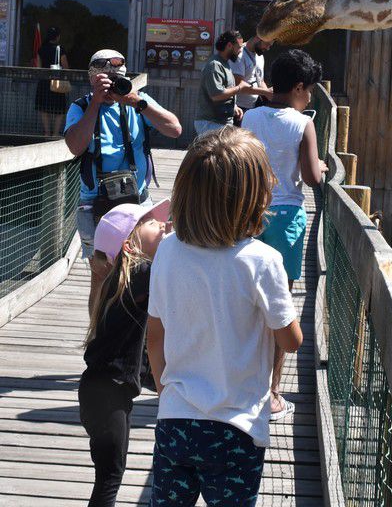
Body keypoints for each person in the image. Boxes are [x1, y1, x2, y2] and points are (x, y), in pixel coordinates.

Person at [126, 127, 302, 507]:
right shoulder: (264, 262)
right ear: (254, 200)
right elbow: (292, 340)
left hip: (176, 421)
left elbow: (156, 334)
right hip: (236, 430)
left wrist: (166, 381)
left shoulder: (168, 250)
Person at [75, 198, 172, 507]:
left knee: (109, 474)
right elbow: (174, 267)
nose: (163, 227)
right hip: (107, 396)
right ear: (130, 244)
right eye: (153, 223)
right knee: (109, 477)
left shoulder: (122, 281)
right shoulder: (142, 274)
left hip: (103, 393)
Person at [242, 49, 326, 421]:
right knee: (280, 305)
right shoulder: (303, 123)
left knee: (245, 300)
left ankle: (242, 382)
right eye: (309, 90)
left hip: (248, 215)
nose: (309, 97)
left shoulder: (249, 118)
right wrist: (320, 166)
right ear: (297, 87)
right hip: (288, 218)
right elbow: (311, 177)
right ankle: (272, 393)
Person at [64, 49, 181, 313]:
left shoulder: (138, 102)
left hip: (138, 201)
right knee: (101, 275)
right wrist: (95, 102)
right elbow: (74, 147)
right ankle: (96, 338)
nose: (115, 85)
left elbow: (175, 129)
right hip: (96, 205)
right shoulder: (81, 107)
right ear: (94, 78)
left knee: (149, 268)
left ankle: (139, 335)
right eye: (108, 79)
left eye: (119, 78)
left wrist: (137, 102)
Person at [194, 30, 267, 137]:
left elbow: (225, 92)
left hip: (221, 123)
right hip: (211, 123)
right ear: (229, 45)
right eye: (239, 47)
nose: (240, 50)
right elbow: (216, 95)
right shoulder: (215, 65)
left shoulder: (225, 64)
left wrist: (234, 106)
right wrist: (239, 87)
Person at [34, 26, 70, 136]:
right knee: (60, 110)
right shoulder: (60, 49)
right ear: (57, 37)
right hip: (57, 82)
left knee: (44, 109)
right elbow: (66, 67)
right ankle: (55, 135)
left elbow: (39, 68)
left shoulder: (41, 49)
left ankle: (47, 133)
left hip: (44, 82)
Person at [229, 34, 272, 114]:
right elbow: (239, 85)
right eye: (267, 44)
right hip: (239, 109)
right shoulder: (239, 54)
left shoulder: (260, 56)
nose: (268, 48)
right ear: (258, 38)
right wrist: (266, 92)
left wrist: (270, 94)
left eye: (270, 45)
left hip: (254, 107)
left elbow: (260, 80)